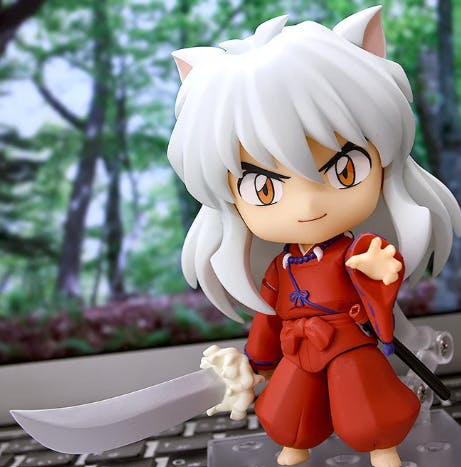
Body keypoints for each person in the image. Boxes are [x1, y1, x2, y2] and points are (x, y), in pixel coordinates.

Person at [167, 6, 461, 467]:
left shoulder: (353, 252)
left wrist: (381, 272)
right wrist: (257, 363)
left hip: (350, 345)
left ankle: (383, 448)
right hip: (298, 348)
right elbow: (269, 317)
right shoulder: (280, 268)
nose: (307, 206)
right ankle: (294, 445)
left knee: (366, 407)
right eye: (264, 189)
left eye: (344, 170)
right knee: (287, 411)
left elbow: (378, 281)